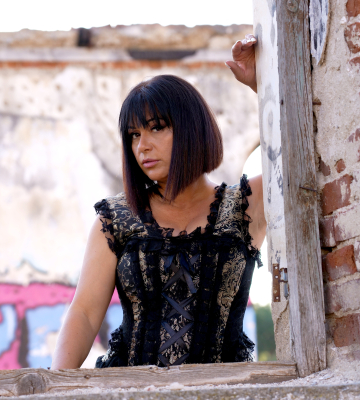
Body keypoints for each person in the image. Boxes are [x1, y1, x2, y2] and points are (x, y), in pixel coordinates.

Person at [51, 35, 262, 369]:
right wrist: (54, 385)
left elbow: (300, 155)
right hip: (129, 389)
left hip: (225, 390)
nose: (142, 146)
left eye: (156, 128)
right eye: (134, 134)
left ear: (192, 128)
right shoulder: (117, 218)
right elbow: (85, 313)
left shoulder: (245, 205)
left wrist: (261, 84)